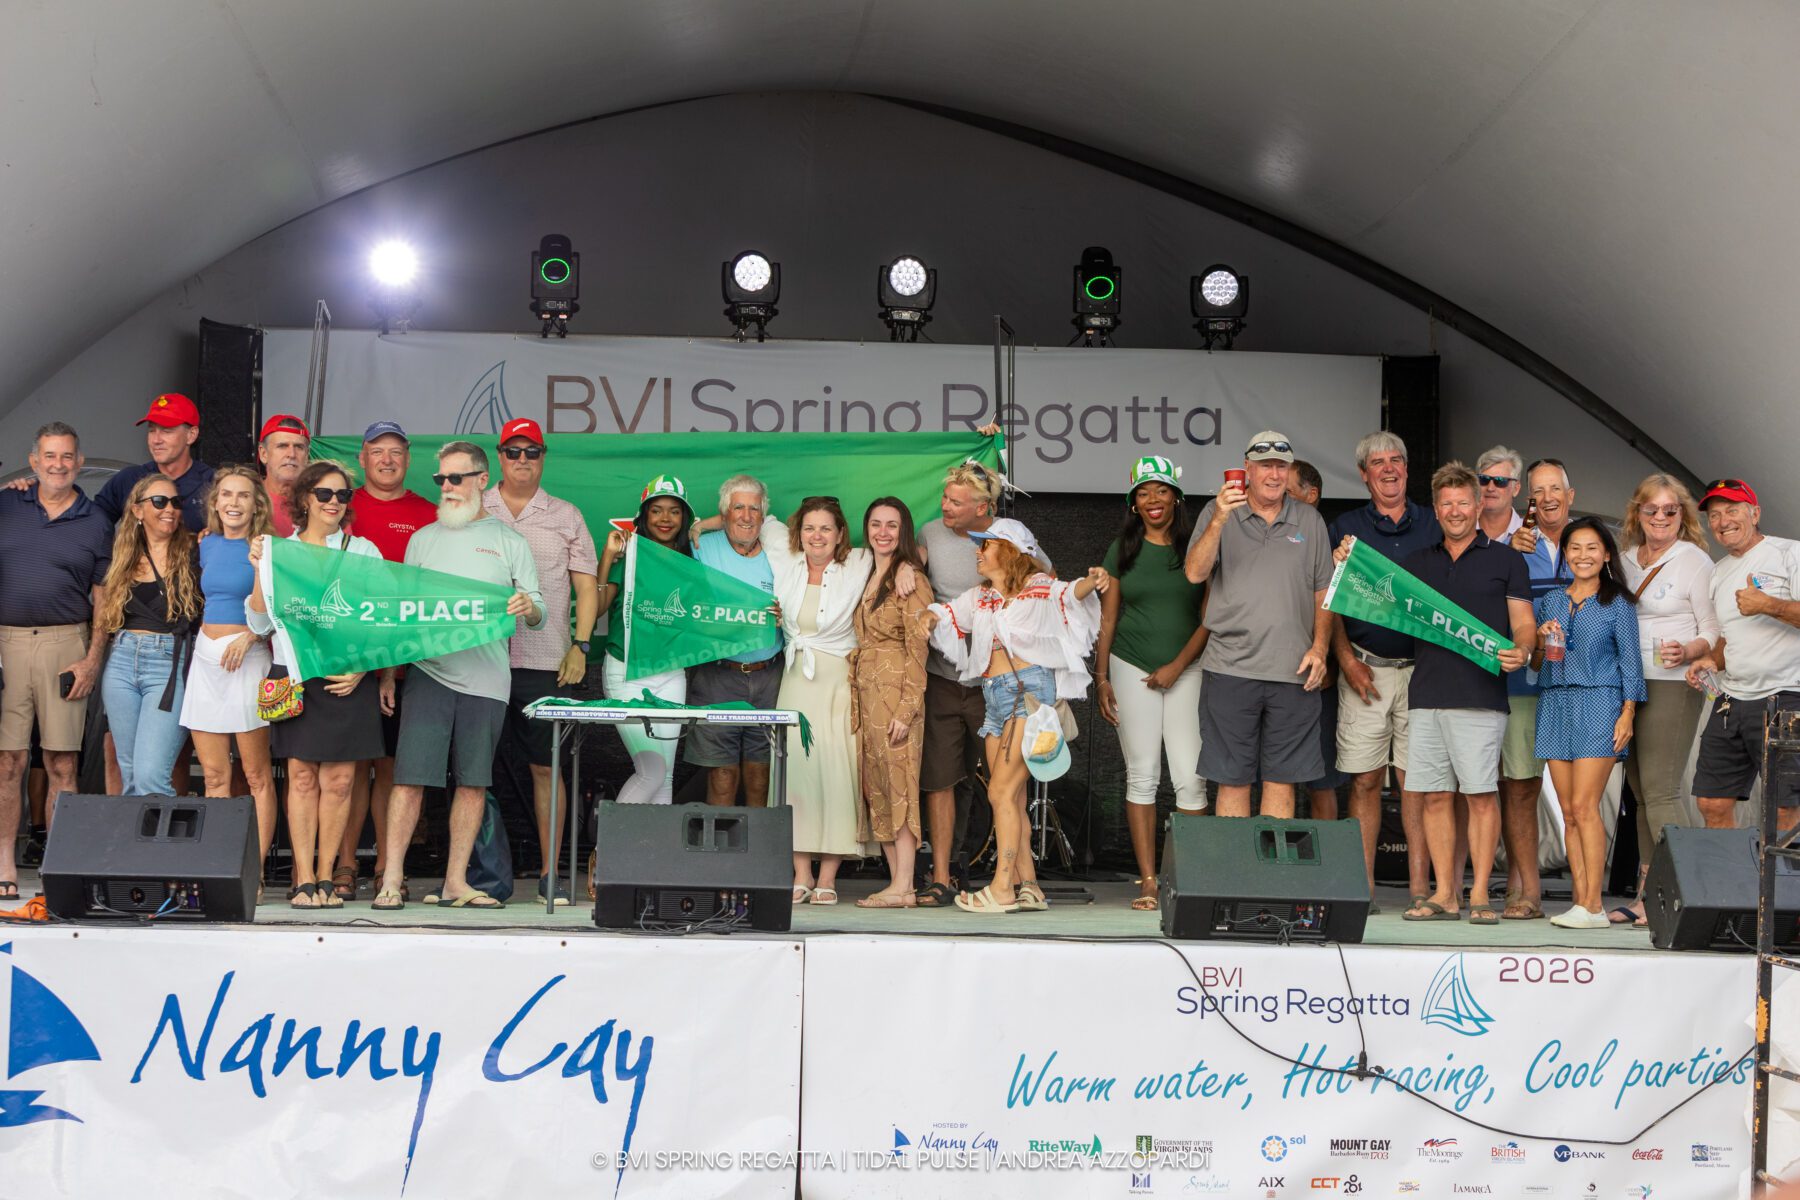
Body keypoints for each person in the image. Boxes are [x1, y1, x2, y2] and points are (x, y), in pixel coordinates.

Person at [375, 442, 543, 911]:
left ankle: (455, 882)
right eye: (440, 479)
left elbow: (540, 611)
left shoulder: (510, 541)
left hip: (487, 680)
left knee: (473, 784)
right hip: (428, 673)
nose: (446, 487)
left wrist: (527, 606)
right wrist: (389, 675)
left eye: (456, 478)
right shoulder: (422, 539)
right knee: (409, 779)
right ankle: (392, 879)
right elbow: (403, 614)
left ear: (482, 480)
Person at [927, 519, 1109, 912]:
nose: (977, 552)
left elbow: (1069, 593)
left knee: (1000, 792)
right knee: (1009, 797)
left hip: (1027, 695)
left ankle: (1002, 889)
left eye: (986, 545)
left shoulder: (1037, 587)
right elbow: (946, 615)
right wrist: (920, 617)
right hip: (995, 697)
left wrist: (1092, 581)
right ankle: (1030, 886)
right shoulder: (982, 596)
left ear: (1009, 550)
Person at [1381, 462, 1534, 923]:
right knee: (1432, 796)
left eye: (1463, 502)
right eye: (1446, 503)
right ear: (1436, 508)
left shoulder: (1507, 560)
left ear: (1478, 503)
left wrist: (1524, 650)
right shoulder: (1417, 564)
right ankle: (1446, 893)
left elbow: (1523, 623)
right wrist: (1348, 560)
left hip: (1481, 698)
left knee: (1481, 796)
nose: (1455, 511)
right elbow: (1375, 593)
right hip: (1426, 695)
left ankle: (1480, 893)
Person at [247, 461, 390, 908]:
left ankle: (327, 876)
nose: (334, 502)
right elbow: (259, 623)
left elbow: (384, 617)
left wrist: (364, 667)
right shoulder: (279, 550)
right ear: (304, 498)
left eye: (342, 495)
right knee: (303, 777)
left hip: (347, 677)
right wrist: (260, 569)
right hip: (295, 675)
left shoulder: (362, 551)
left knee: (342, 780)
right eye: (324, 494)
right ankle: (304, 878)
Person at [1184, 431, 1333, 818]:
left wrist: (1320, 648)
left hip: (1293, 671)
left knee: (1282, 781)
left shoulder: (1310, 519)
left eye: (1281, 466)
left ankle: (1271, 861)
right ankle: (1235, 862)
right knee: (1232, 780)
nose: (1274, 474)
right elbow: (1195, 573)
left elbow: (1324, 591)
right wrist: (1220, 518)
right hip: (1230, 668)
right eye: (1265, 465)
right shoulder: (1217, 511)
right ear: (1247, 469)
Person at [483, 417, 598, 907]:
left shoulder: (567, 515)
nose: (522, 460)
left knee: (546, 769)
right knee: (473, 771)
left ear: (543, 457)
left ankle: (553, 874)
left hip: (546, 659)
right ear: (499, 457)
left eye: (532, 452)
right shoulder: (474, 507)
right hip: (478, 658)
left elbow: (587, 588)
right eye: (513, 451)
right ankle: (477, 874)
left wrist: (581, 645)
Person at [1325, 434, 1441, 900]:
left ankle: (1419, 890)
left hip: (1423, 672)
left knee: (1417, 782)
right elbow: (1329, 600)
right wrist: (1346, 660)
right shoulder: (1345, 528)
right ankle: (1363, 889)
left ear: (1407, 470)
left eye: (1397, 460)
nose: (1389, 469)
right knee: (1365, 780)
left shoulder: (1434, 523)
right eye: (1378, 462)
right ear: (1363, 474)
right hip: (1364, 671)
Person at [0, 422, 112, 901]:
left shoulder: (96, 521)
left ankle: (58, 868)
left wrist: (92, 660)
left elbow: (104, 599)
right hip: (7, 643)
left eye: (67, 456)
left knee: (62, 761)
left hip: (68, 643)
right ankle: (4, 862)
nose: (58, 465)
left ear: (79, 462)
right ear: (34, 460)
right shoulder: (7, 504)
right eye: (49, 456)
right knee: (8, 761)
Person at [1096, 456, 1206, 911]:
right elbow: (1108, 618)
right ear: (1134, 503)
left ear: (1176, 497)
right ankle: (1148, 882)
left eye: (1161, 490)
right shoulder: (1122, 548)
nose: (1152, 499)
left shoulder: (1196, 546)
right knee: (1142, 775)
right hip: (1130, 666)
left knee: (1191, 779)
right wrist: (1101, 677)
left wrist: (1177, 666)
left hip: (1188, 669)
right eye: (1143, 493)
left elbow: (1210, 618)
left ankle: (1189, 881)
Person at [335, 420, 439, 900]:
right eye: (377, 451)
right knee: (352, 765)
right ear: (362, 458)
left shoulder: (427, 512)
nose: (387, 459)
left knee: (392, 766)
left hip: (408, 660)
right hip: (350, 655)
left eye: (396, 451)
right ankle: (343, 863)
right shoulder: (341, 505)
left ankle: (384, 866)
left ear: (408, 459)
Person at [759, 496, 879, 906]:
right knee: (795, 777)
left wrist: (903, 571)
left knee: (835, 775)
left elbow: (905, 551)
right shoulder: (785, 556)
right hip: (795, 681)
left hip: (837, 684)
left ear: (841, 533)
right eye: (810, 528)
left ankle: (828, 876)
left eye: (826, 528)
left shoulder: (860, 562)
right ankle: (802, 874)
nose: (817, 536)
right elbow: (755, 515)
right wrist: (702, 525)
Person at [1531, 517, 1646, 929]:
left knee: (1584, 805)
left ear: (1606, 554)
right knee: (1567, 811)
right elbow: (1536, 665)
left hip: (1599, 701)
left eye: (1592, 547)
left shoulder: (1618, 603)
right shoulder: (1551, 600)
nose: (1583, 555)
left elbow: (1631, 663)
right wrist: (1539, 640)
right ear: (1565, 554)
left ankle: (1594, 905)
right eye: (1575, 548)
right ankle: (1581, 902)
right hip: (1555, 702)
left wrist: (1628, 712)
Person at [1614, 474, 1718, 925]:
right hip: (1627, 683)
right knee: (1640, 794)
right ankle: (1648, 895)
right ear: (1637, 513)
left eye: (1670, 510)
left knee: (1661, 791)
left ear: (1683, 515)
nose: (1660, 517)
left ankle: (1687, 892)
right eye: (1652, 509)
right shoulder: (1623, 560)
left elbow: (1713, 629)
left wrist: (1689, 650)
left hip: (1672, 682)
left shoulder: (1694, 561)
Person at [915, 459, 1017, 907]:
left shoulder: (1009, 536)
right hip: (941, 678)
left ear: (983, 507)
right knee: (940, 779)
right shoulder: (930, 534)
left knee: (1004, 782)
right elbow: (905, 571)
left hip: (993, 683)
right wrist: (909, 568)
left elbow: (1043, 583)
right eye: (945, 498)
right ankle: (941, 876)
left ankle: (1013, 879)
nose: (945, 507)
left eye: (956, 502)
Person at [182, 465, 279, 888]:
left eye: (243, 495)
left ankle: (251, 874)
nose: (233, 502)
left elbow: (281, 610)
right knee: (215, 777)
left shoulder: (268, 546)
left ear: (257, 504)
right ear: (215, 501)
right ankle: (218, 871)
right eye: (226, 494)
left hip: (248, 661)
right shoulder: (205, 544)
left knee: (256, 777)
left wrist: (252, 636)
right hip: (206, 660)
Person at [1686, 479, 1800, 829]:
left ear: (1755, 513)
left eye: (1732, 510)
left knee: (1785, 807)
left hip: (1785, 696)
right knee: (1711, 802)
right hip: (1731, 700)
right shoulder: (1718, 571)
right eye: (1714, 515)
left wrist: (1768, 605)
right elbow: (1728, 636)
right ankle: (1731, 869)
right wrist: (1712, 660)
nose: (1723, 521)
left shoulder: (1790, 553)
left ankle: (1781, 869)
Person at [1493, 456, 1575, 920]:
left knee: (1577, 796)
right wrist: (1508, 547)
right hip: (1524, 685)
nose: (1547, 498)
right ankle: (1527, 890)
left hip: (1579, 689)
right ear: (1529, 499)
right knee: (1521, 787)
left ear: (1570, 496)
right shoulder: (1514, 546)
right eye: (1538, 491)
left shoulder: (1593, 544)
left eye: (1554, 489)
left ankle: (1587, 895)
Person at [94, 475, 201, 796]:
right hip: (122, 660)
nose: (169, 508)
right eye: (159, 501)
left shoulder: (195, 550)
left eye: (175, 502)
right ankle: (137, 832)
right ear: (138, 510)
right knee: (129, 776)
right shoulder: (122, 553)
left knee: (150, 776)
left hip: (169, 661)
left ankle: (162, 832)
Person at [596, 475, 696, 808]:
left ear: (684, 518)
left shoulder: (690, 563)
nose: (665, 519)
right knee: (651, 772)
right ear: (644, 515)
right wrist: (608, 557)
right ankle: (611, 842)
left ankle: (657, 844)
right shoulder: (628, 554)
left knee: (665, 775)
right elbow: (598, 608)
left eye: (674, 511)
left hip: (671, 672)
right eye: (656, 510)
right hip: (627, 671)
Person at [851, 498, 931, 908]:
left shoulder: (911, 580)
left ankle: (904, 884)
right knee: (878, 788)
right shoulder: (868, 572)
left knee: (901, 786)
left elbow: (919, 649)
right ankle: (899, 884)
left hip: (898, 693)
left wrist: (907, 709)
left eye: (892, 525)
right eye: (876, 524)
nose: (883, 532)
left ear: (904, 531)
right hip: (867, 697)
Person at [685, 475, 783, 807]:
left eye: (754, 509)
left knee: (761, 775)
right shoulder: (700, 546)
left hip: (769, 676)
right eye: (738, 507)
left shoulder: (779, 550)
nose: (746, 516)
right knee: (722, 775)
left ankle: (757, 841)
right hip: (718, 675)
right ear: (724, 512)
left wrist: (787, 615)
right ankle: (719, 842)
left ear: (763, 515)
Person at [1288, 459, 1346, 822]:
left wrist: (1334, 660)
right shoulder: (1264, 534)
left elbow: (1335, 608)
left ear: (1311, 496)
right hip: (1270, 674)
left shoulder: (1329, 539)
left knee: (1321, 779)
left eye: (1288, 491)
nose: (1277, 496)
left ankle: (1325, 856)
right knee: (1271, 777)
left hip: (1317, 679)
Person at [93, 393, 216, 533]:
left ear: (191, 435)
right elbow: (91, 526)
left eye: (166, 431)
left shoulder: (213, 484)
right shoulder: (129, 479)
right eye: (152, 430)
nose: (156, 440)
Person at [258, 414, 311, 537]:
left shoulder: (324, 500)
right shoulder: (244, 497)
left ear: (307, 456)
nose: (291, 454)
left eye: (299, 447)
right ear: (263, 454)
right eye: (282, 446)